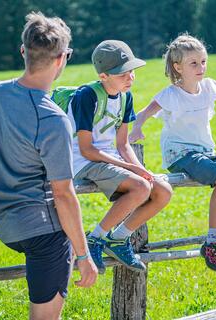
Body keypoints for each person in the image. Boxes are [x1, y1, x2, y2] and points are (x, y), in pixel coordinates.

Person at [0, 12, 97, 320]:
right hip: (43, 232)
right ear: (61, 59)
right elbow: (63, 194)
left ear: (23, 51)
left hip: (5, 223)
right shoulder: (52, 119)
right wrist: (83, 255)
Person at [129, 34, 216, 272]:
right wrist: (136, 128)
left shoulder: (209, 86)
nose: (201, 67)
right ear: (178, 67)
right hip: (180, 155)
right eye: (193, 63)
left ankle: (213, 240)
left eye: (203, 61)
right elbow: (143, 113)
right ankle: (213, 241)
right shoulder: (171, 94)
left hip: (207, 152)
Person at [67, 40, 172, 274]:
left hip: (108, 159)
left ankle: (118, 239)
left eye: (132, 71)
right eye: (123, 73)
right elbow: (86, 149)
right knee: (141, 187)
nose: (130, 77)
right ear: (104, 76)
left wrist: (141, 169)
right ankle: (94, 239)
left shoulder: (126, 97)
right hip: (83, 162)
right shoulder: (87, 96)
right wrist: (130, 169)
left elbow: (123, 144)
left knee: (163, 190)